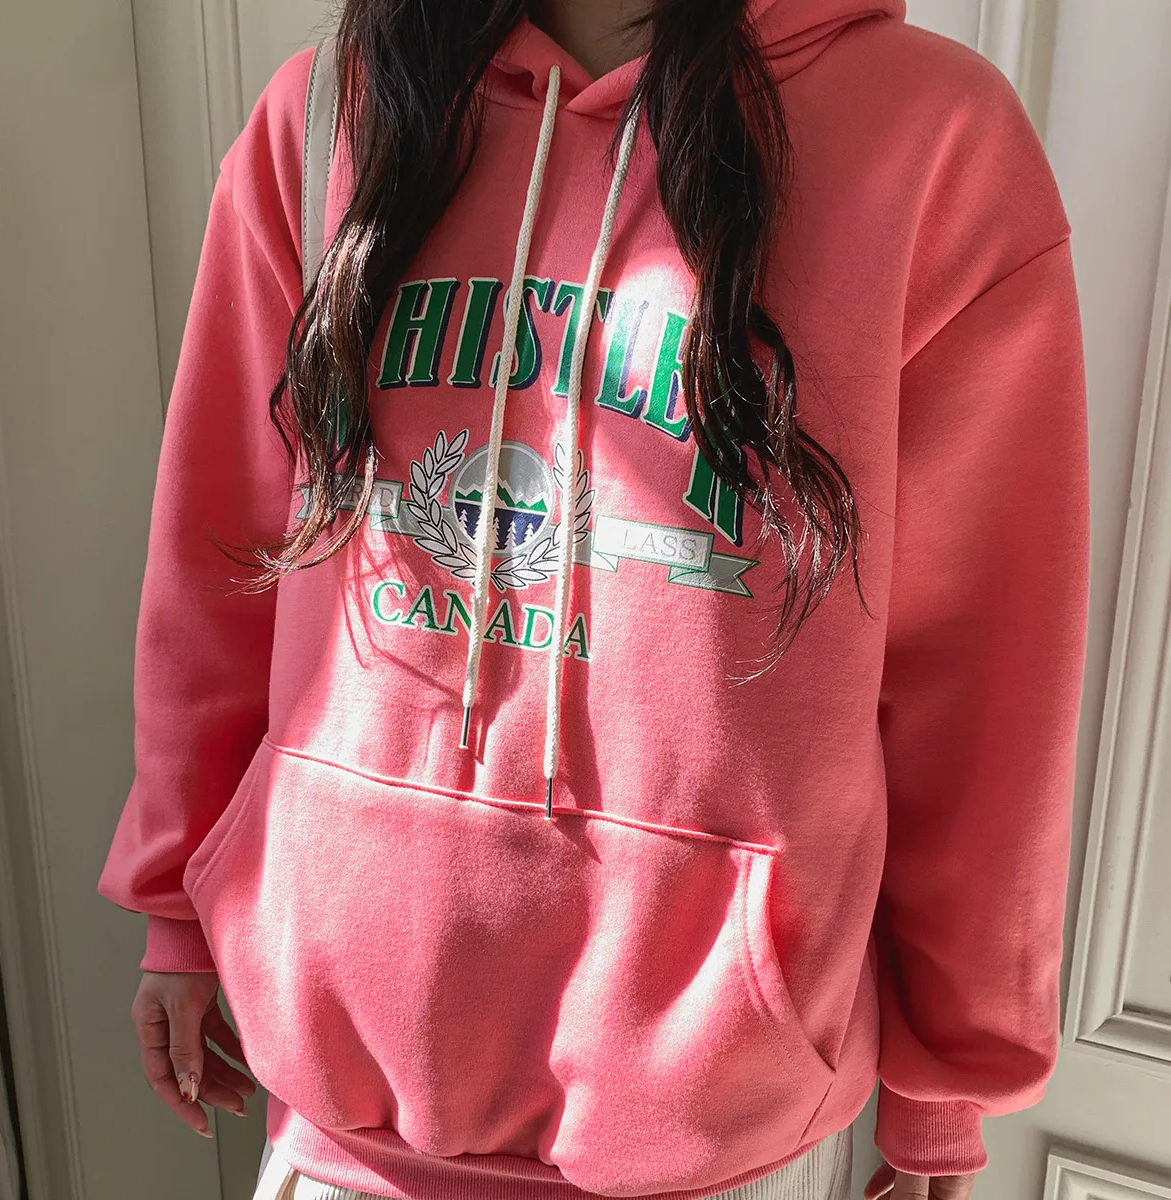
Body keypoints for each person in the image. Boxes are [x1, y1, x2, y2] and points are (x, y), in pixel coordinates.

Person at [96, 0, 1091, 1196]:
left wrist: (949, 1072)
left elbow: (982, 665)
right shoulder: (330, 115)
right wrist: (178, 903)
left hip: (716, 1129)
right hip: (338, 1107)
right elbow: (221, 550)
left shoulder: (929, 138)